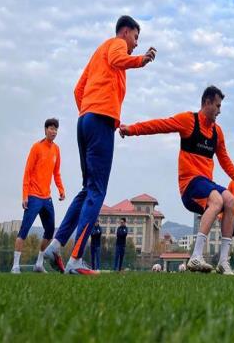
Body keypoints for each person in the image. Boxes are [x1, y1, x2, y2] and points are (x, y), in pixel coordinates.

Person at [45, 15, 156, 275]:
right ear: (125, 32)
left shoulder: (98, 53)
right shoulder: (116, 44)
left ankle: (56, 245)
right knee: (97, 191)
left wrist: (88, 110)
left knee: (87, 189)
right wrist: (141, 61)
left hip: (85, 120)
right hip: (100, 121)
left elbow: (78, 89)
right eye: (136, 38)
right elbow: (119, 59)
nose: (136, 44)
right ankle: (75, 259)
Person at [120, 85, 234, 276]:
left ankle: (223, 262)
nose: (219, 111)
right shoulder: (188, 121)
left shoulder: (217, 132)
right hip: (190, 184)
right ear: (207, 103)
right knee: (217, 200)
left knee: (231, 200)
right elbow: (159, 125)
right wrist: (131, 130)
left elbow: (226, 162)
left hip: (206, 184)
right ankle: (196, 256)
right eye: (217, 106)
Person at [11, 118, 65, 273]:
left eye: (56, 129)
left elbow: (56, 173)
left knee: (49, 232)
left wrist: (61, 189)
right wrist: (25, 196)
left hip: (47, 198)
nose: (54, 131)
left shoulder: (56, 150)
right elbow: (27, 172)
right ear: (45, 130)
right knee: (24, 230)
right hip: (33, 196)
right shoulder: (36, 147)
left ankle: (39, 264)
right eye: (51, 128)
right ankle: (15, 265)